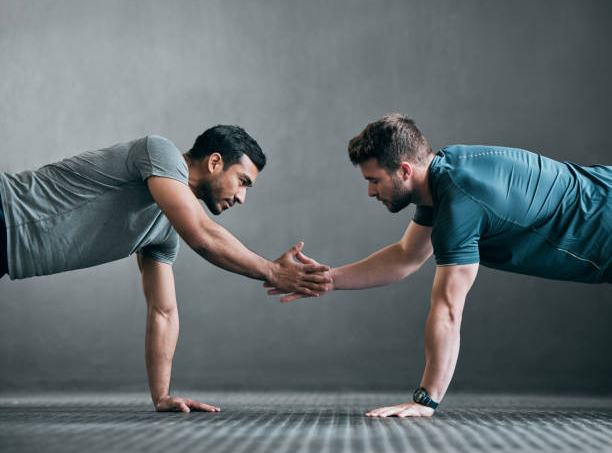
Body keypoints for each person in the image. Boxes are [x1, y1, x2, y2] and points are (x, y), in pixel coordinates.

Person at [266, 114, 612, 417]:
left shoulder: (461, 204)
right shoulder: (446, 173)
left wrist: (425, 400)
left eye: (374, 180)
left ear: (404, 170)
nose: (371, 192)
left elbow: (448, 309)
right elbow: (405, 256)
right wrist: (327, 279)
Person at [0, 125, 330, 412]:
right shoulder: (159, 150)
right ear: (215, 162)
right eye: (242, 181)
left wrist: (161, 395)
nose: (242, 197)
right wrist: (272, 272)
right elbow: (201, 235)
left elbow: (163, 311)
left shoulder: (163, 231)